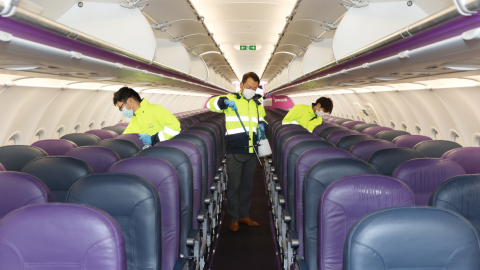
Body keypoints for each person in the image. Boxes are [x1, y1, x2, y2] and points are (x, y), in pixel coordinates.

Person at [207, 72, 267, 232]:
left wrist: (262, 124)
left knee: (248, 186)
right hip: (235, 150)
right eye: (248, 87)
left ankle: (244, 215)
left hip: (251, 150)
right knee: (234, 186)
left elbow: (262, 118)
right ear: (241, 85)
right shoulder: (231, 98)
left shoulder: (256, 104)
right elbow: (210, 104)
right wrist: (224, 102)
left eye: (254, 88)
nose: (251, 90)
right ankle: (234, 218)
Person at [113, 87, 181, 146]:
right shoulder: (135, 119)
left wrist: (154, 139)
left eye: (121, 107)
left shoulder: (156, 110)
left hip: (163, 152)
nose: (121, 110)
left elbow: (174, 128)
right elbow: (125, 137)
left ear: (130, 101)